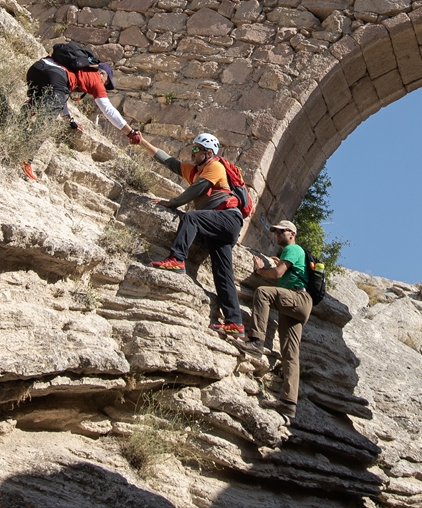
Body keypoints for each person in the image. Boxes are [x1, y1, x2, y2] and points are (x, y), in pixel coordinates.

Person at [141, 132, 246, 337]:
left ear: (208, 153)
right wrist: (142, 142)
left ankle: (177, 259)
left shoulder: (214, 167)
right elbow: (168, 161)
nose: (192, 151)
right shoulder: (195, 170)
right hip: (220, 226)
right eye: (193, 147)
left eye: (197, 149)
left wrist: (171, 203)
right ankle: (235, 323)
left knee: (191, 217)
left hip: (228, 219)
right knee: (223, 273)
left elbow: (195, 191)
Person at [237, 219, 312, 420]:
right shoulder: (292, 254)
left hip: (298, 298)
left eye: (282, 232)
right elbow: (285, 273)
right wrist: (280, 264)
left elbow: (277, 273)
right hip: (298, 303)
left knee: (263, 293)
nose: (278, 235)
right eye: (276, 232)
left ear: (292, 233)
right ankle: (289, 403)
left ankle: (255, 341)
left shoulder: (293, 249)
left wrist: (260, 270)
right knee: (291, 352)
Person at [21, 56, 139, 180]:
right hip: (54, 76)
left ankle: (25, 114)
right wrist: (130, 132)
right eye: (106, 82)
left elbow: (60, 95)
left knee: (43, 99)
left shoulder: (75, 69)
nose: (104, 86)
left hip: (36, 69)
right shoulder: (96, 79)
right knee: (47, 118)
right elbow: (108, 110)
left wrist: (69, 120)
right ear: (101, 73)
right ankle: (25, 157)